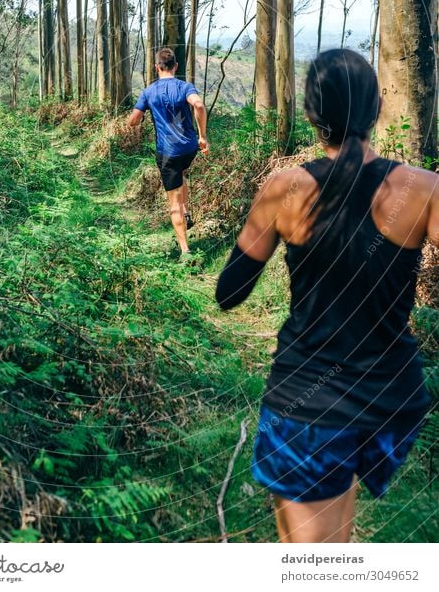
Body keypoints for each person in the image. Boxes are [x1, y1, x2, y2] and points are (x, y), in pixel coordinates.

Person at [216, 48, 438, 543]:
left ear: (313, 117)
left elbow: (230, 293)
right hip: (389, 403)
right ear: (377, 108)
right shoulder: (424, 189)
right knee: (335, 532)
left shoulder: (285, 189)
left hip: (308, 405)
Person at [127, 47, 209, 258]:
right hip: (189, 148)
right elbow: (198, 106)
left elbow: (133, 121)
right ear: (176, 66)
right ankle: (187, 213)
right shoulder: (185, 87)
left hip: (168, 153)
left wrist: (141, 117)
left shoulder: (148, 92)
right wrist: (202, 136)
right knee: (180, 173)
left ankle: (185, 251)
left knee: (173, 203)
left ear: (157, 68)